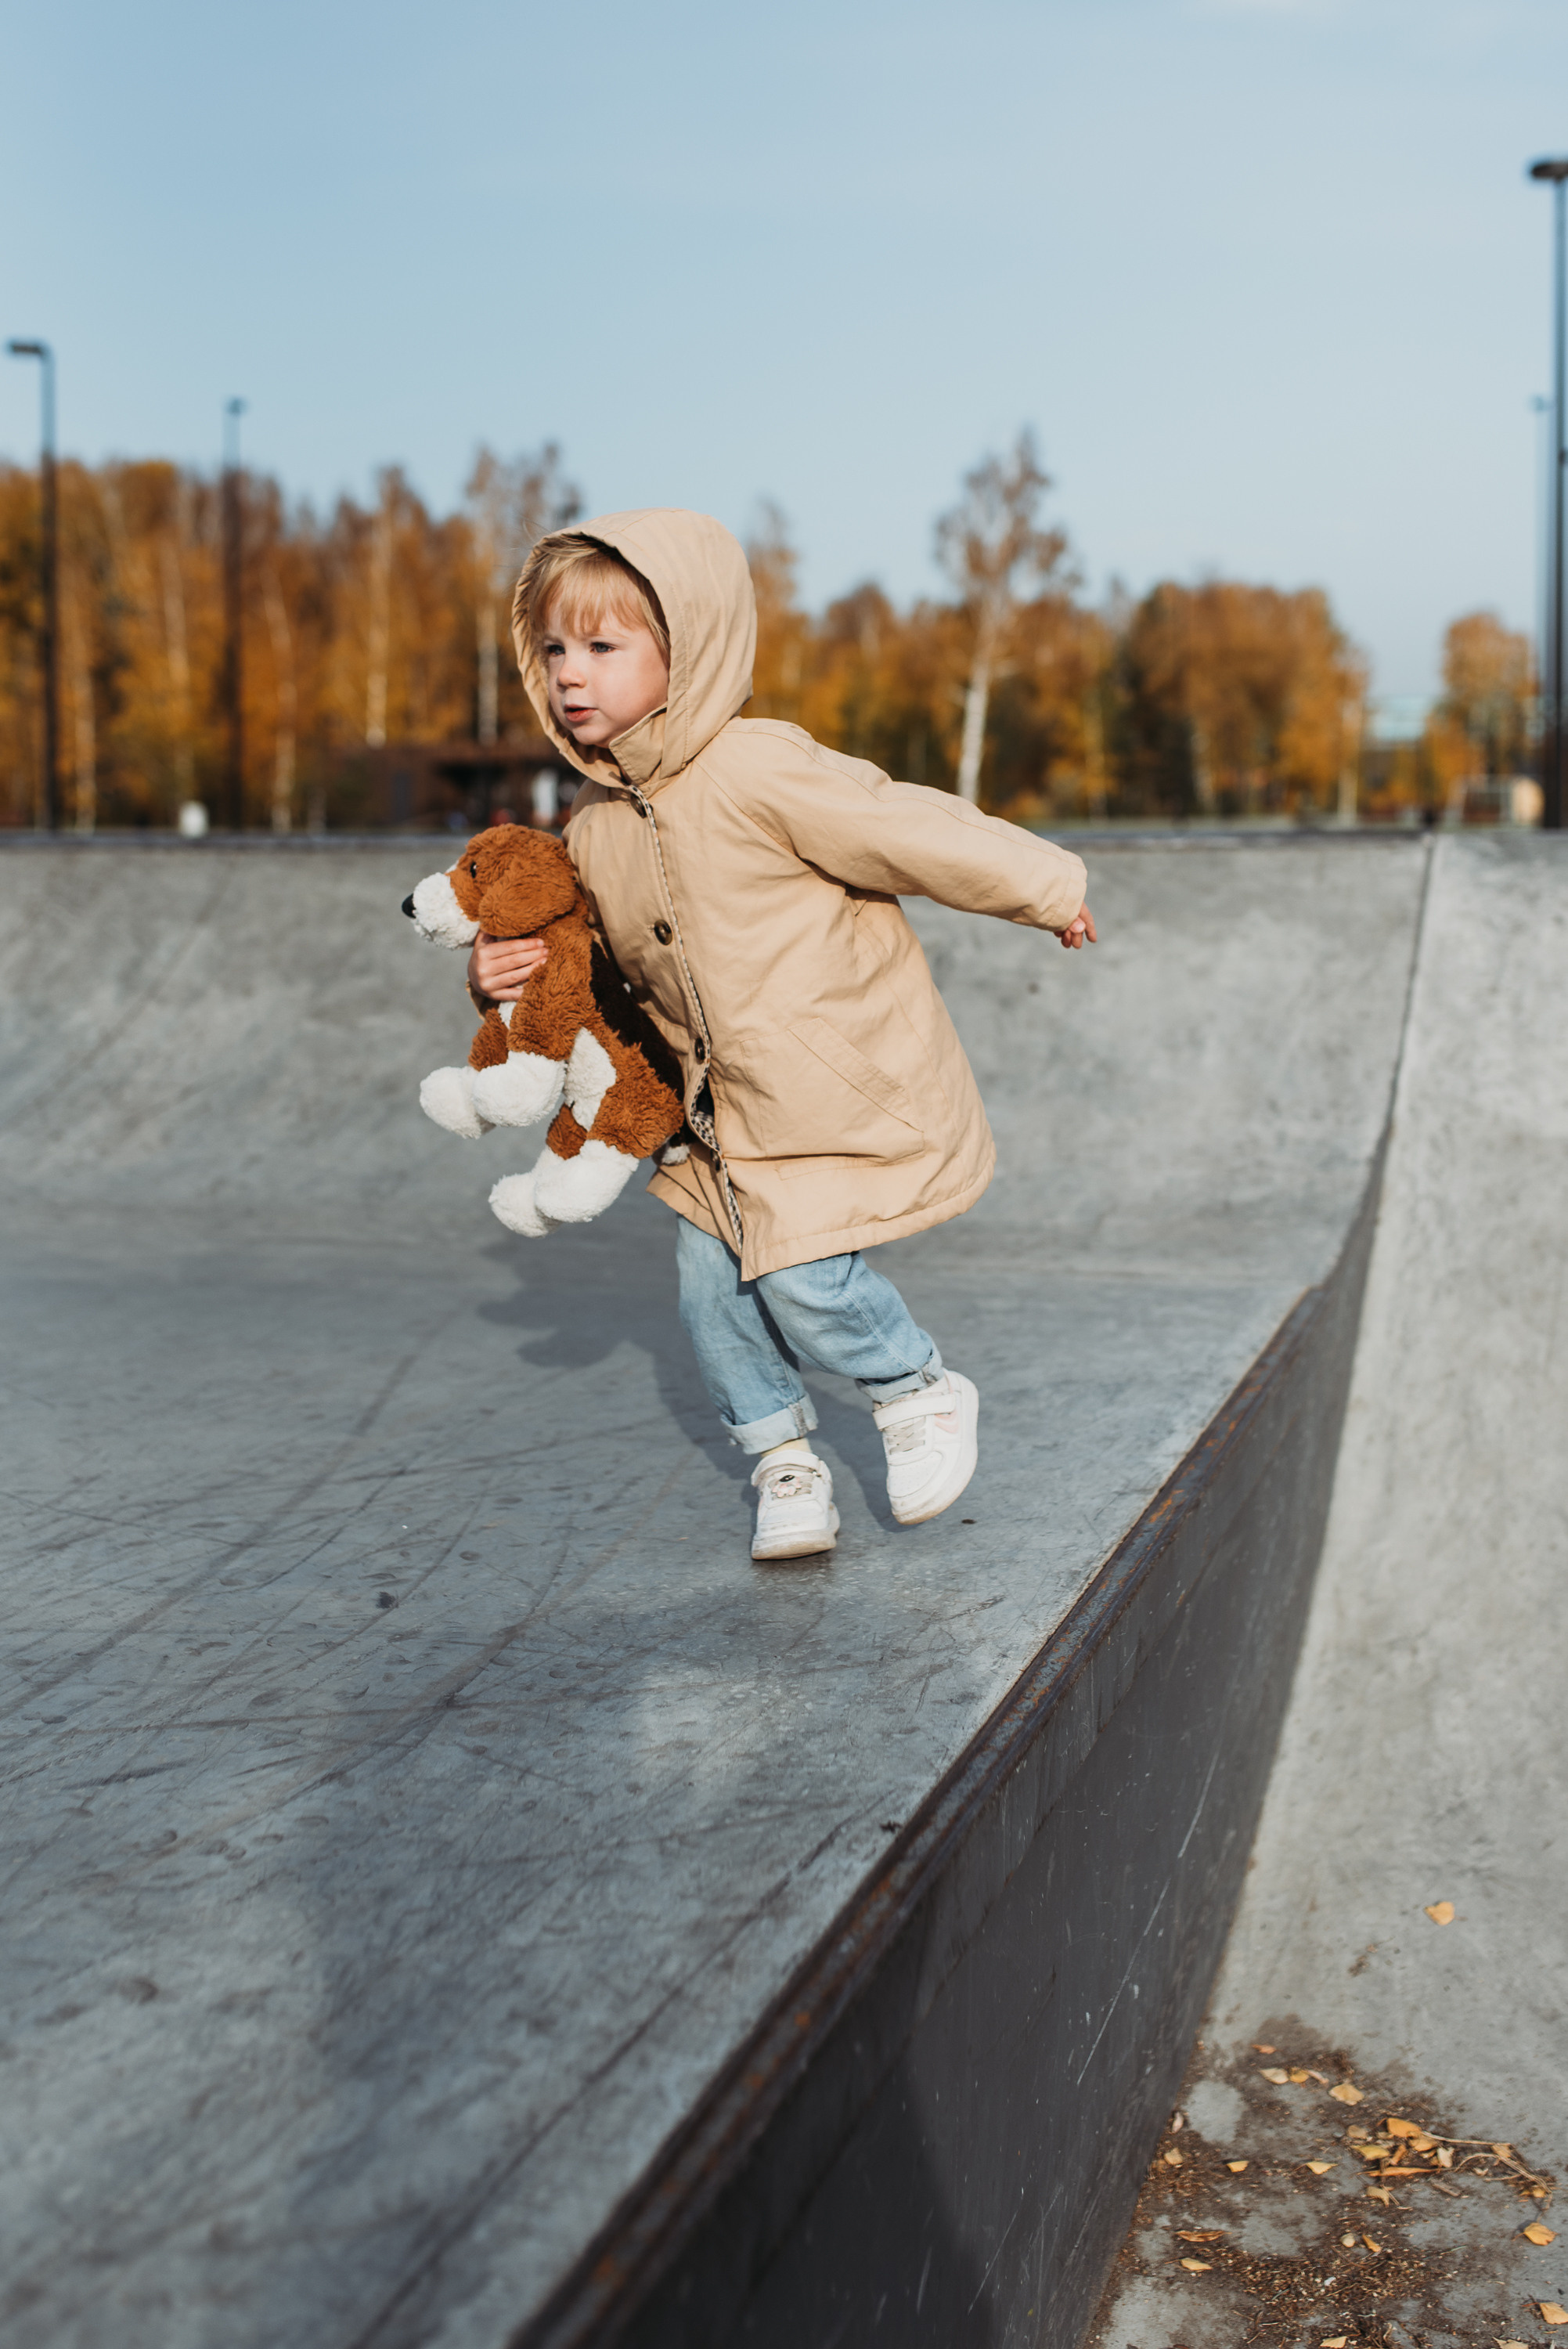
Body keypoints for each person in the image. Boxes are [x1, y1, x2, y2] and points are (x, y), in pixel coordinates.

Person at [470, 510, 1094, 1564]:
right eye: (554, 651)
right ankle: (782, 1462)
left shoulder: (760, 768)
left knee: (806, 1275)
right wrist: (495, 977)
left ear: (690, 649)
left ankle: (916, 1389)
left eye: (603, 647)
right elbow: (578, 969)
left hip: (823, 1095)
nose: (571, 674)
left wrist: (1047, 886)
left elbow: (906, 826)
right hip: (716, 1123)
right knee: (712, 1298)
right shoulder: (592, 824)